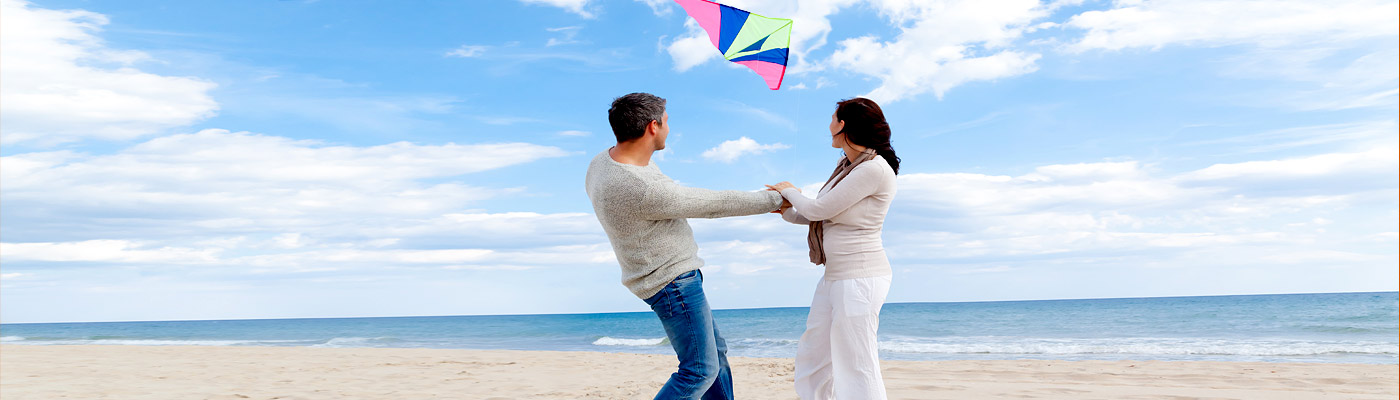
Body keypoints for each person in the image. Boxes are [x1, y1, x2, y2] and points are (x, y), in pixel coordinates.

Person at [585, 92, 785, 400]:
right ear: (653, 127)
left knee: (715, 357)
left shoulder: (603, 162)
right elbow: (714, 204)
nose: (669, 128)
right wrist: (776, 198)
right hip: (672, 283)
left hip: (663, 278)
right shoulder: (641, 188)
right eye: (666, 122)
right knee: (699, 370)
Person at [767, 97, 900, 400]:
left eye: (832, 118)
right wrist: (786, 211)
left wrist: (787, 189)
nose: (828, 124)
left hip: (860, 278)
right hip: (835, 277)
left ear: (843, 125)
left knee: (857, 363)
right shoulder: (847, 166)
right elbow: (823, 215)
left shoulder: (874, 169)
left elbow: (818, 208)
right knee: (814, 354)